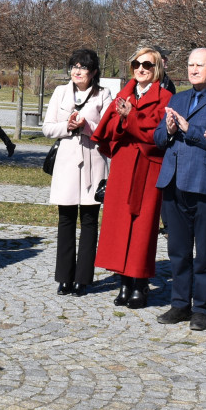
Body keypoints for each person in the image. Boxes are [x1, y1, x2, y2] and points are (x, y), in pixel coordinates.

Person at [154, 48, 206, 331]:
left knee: (205, 252)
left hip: (205, 184)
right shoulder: (178, 98)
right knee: (178, 250)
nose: (192, 70)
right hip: (173, 182)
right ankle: (180, 304)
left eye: (198, 65)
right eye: (190, 65)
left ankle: (202, 308)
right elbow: (158, 139)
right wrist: (167, 129)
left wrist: (188, 129)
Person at [92, 47, 173, 308]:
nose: (141, 69)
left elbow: (156, 136)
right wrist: (125, 122)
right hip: (124, 166)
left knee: (143, 227)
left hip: (148, 168)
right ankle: (124, 282)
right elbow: (108, 130)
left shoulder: (166, 97)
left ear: (157, 68)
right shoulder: (123, 94)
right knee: (119, 224)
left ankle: (140, 284)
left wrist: (130, 118)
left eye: (147, 65)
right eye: (136, 64)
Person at [42, 49, 111, 296]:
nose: (77, 71)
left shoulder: (103, 95)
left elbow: (108, 129)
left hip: (93, 162)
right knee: (66, 219)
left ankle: (83, 278)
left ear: (93, 72)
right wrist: (68, 126)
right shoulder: (60, 92)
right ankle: (64, 277)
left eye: (83, 67)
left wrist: (87, 126)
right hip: (67, 163)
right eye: (74, 66)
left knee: (90, 221)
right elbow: (47, 128)